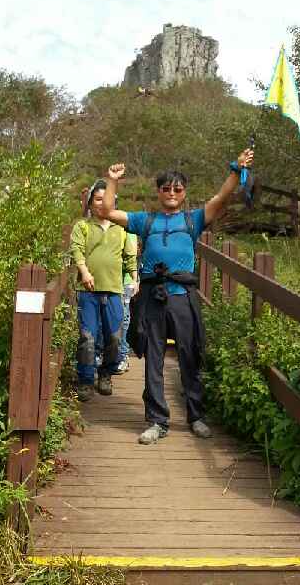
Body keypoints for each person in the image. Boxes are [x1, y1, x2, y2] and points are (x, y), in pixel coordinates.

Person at [100, 148, 254, 444]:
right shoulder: (145, 221)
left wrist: (236, 169)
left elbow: (221, 197)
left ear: (184, 193)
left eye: (177, 189)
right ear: (158, 191)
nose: (171, 193)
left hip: (182, 296)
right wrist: (112, 181)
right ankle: (157, 421)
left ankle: (196, 417)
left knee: (189, 356)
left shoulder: (193, 219)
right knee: (153, 359)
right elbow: (107, 211)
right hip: (152, 297)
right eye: (166, 188)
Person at [70, 180, 138, 402]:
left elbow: (130, 257)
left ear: (113, 203)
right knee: (87, 338)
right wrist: (84, 272)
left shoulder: (122, 229)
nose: (101, 203)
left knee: (114, 337)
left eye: (105, 199)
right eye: (97, 199)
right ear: (90, 203)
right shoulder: (82, 226)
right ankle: (85, 380)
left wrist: (135, 279)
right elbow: (77, 251)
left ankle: (106, 374)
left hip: (114, 291)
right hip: (88, 290)